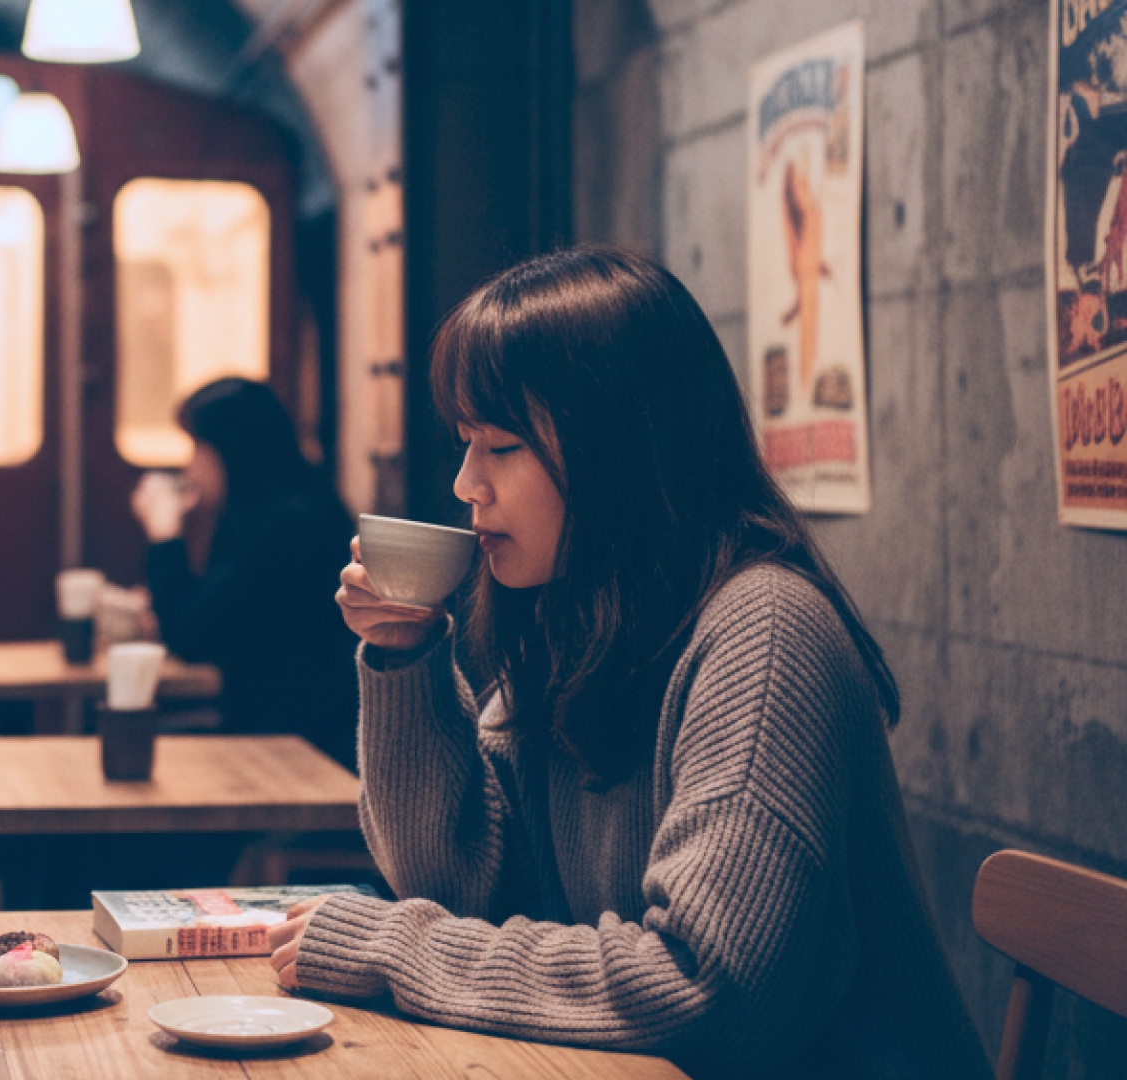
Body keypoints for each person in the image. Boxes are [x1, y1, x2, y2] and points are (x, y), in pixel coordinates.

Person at [265, 248, 992, 1079]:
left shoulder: (764, 634)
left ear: (619, 450)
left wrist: (393, 945)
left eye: (500, 446)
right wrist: (405, 659)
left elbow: (709, 991)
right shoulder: (575, 619)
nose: (467, 484)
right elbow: (459, 883)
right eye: (466, 444)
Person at [130, 376, 360, 771]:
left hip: (298, 750)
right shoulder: (272, 509)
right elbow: (211, 615)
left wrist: (164, 534)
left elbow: (189, 634)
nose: (191, 466)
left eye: (198, 448)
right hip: (268, 729)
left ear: (231, 449)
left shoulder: (291, 524)